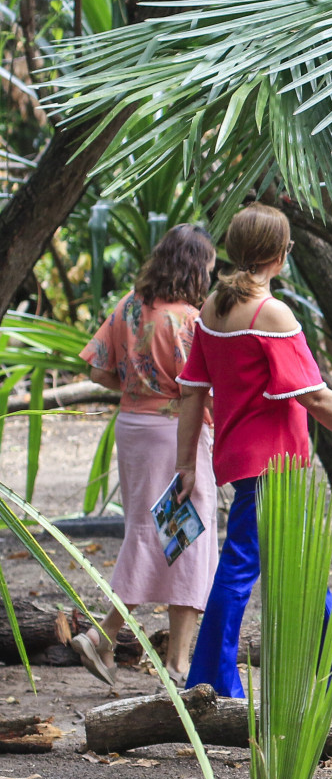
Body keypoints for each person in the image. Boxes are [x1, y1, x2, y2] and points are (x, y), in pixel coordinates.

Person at [174, 203, 332, 704]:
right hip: (273, 466)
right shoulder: (270, 313)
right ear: (281, 255)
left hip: (242, 460)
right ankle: (212, 681)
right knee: (242, 567)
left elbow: (192, 391)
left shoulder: (214, 306)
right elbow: (316, 396)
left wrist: (186, 465)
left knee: (296, 564)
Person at [69, 225, 221, 686]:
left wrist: (138, 391)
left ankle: (106, 638)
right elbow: (201, 389)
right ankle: (173, 665)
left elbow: (97, 370)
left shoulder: (128, 307)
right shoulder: (188, 320)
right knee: (186, 539)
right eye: (209, 268)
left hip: (133, 428)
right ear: (195, 267)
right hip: (176, 435)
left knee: (150, 532)